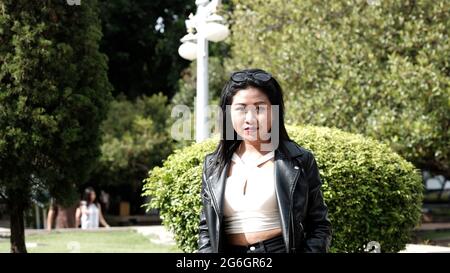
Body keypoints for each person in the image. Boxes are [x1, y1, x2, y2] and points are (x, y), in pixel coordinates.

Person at [198, 68, 332, 253]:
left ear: (275, 112)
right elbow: (206, 230)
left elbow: (319, 225)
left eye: (259, 108)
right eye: (241, 108)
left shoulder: (299, 161)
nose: (250, 119)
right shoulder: (213, 165)